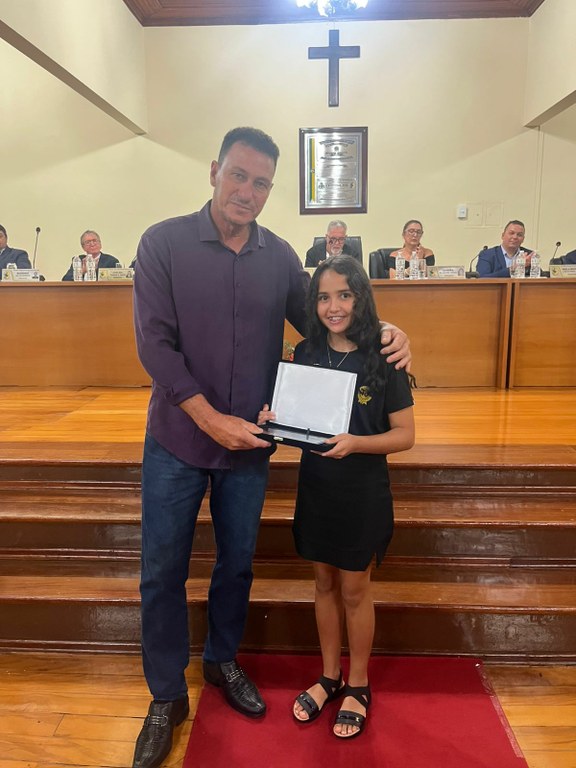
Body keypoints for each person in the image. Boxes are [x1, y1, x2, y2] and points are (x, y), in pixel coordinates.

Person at [131, 127, 411, 768]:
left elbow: (327, 321)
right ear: (214, 170)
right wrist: (211, 420)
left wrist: (388, 331)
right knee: (162, 571)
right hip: (177, 440)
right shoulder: (163, 244)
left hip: (250, 448)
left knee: (237, 564)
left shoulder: (280, 257)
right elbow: (154, 346)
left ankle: (222, 660)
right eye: (238, 175)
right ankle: (166, 695)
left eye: (261, 183)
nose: (247, 192)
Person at [258, 255, 415, 739]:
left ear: (361, 297)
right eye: (324, 297)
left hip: (362, 491)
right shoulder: (304, 352)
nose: (334, 307)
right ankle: (329, 676)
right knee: (323, 584)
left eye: (344, 295)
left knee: (354, 589)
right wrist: (273, 421)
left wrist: (356, 444)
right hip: (317, 488)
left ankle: (359, 684)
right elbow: (297, 421)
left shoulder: (384, 354)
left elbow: (405, 435)